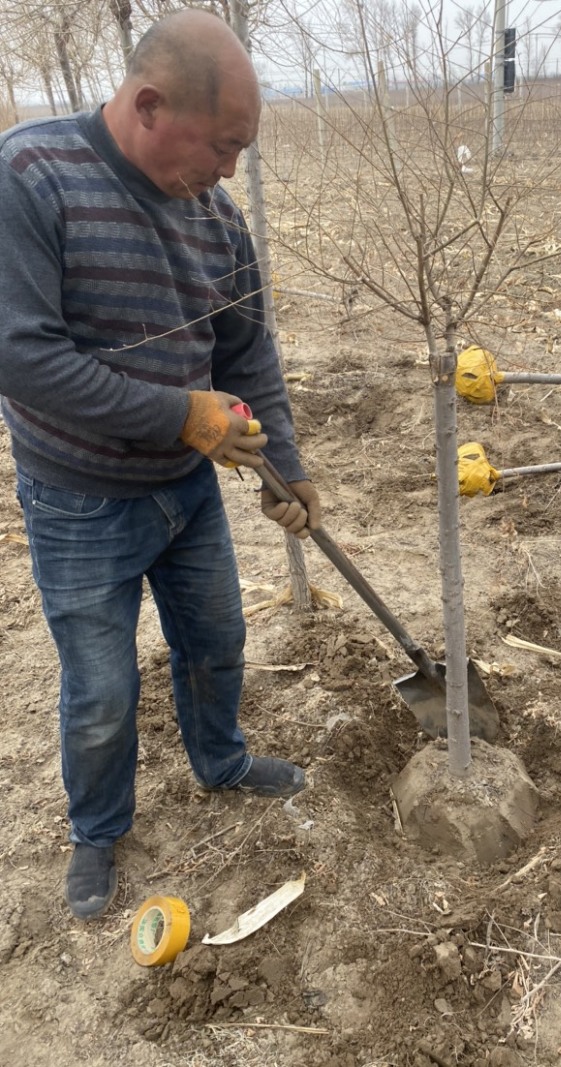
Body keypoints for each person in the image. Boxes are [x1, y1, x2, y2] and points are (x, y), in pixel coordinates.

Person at [0, 9, 321, 921]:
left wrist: (286, 469)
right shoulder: (29, 177)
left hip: (186, 493)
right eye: (222, 147)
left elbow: (246, 355)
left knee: (217, 641)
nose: (228, 172)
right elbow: (21, 356)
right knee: (101, 691)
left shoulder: (216, 221)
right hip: (78, 501)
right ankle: (97, 829)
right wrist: (183, 415)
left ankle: (219, 759)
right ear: (149, 104)